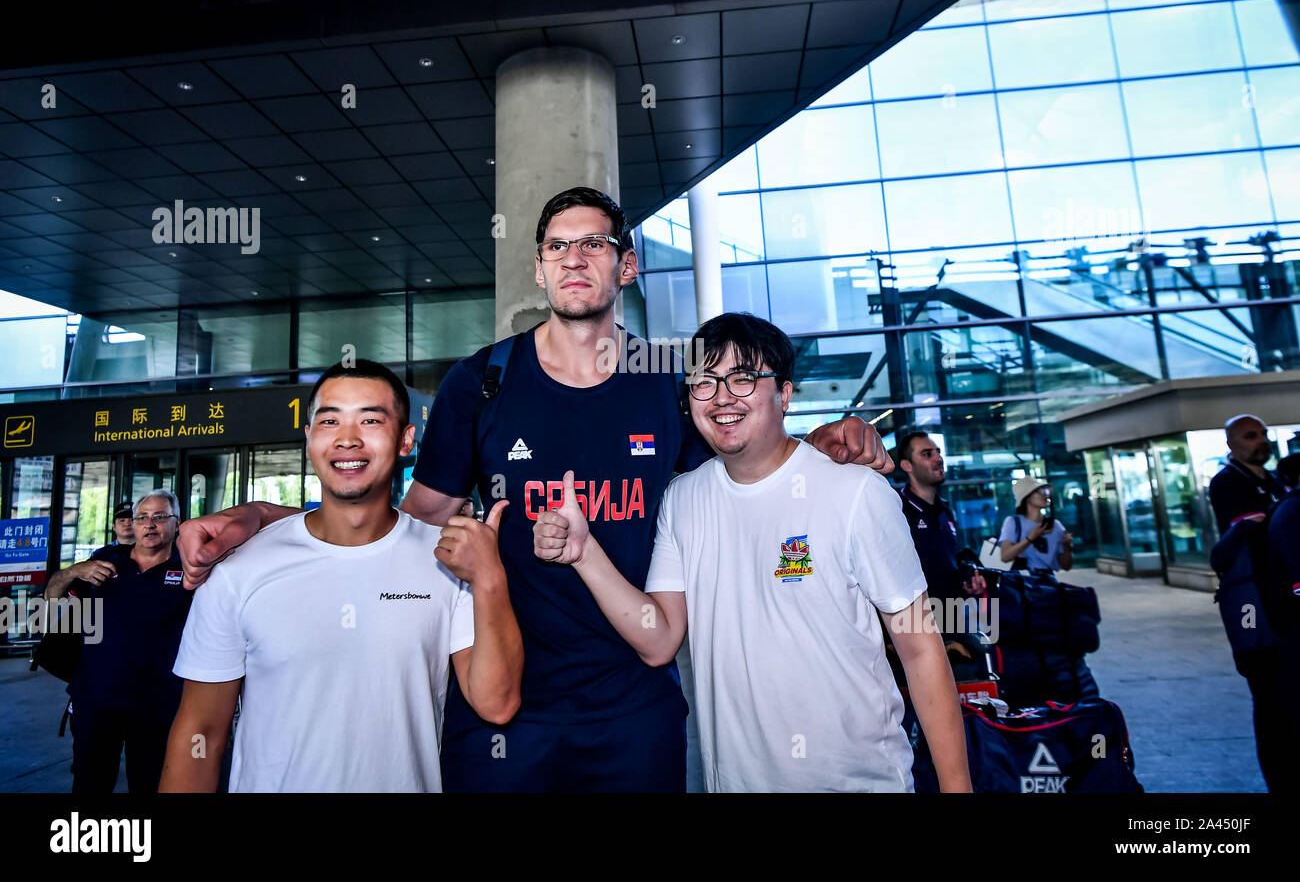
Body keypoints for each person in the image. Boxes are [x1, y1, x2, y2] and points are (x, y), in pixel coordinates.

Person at [174, 187, 892, 793]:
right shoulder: (482, 381)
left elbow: (749, 448)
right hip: (503, 710)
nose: (575, 259)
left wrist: (836, 432)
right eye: (558, 247)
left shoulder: (668, 387)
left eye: (595, 244)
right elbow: (407, 523)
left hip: (634, 708)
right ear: (540, 270)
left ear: (627, 265)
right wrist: (267, 517)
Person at [533, 313, 970, 791]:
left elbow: (922, 650)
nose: (722, 397)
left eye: (743, 378)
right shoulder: (682, 500)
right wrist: (585, 554)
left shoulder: (856, 491)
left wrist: (956, 787)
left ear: (783, 394)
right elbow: (658, 642)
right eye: (706, 382)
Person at [158, 360, 522, 792]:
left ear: (406, 440)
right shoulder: (239, 568)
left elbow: (496, 704)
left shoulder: (447, 559)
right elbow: (201, 731)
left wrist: (490, 579)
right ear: (310, 438)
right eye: (329, 421)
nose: (348, 438)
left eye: (370, 420)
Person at [43, 489, 189, 793]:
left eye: (160, 517)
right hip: (95, 702)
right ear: (133, 525)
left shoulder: (189, 568)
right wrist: (71, 572)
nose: (150, 524)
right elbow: (51, 599)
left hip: (157, 705)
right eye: (142, 517)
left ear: (178, 522)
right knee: (89, 783)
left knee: (150, 784)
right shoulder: (105, 561)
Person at [897, 431, 986, 603]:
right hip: (917, 621)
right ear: (907, 465)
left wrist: (968, 577)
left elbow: (950, 557)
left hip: (953, 617)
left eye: (938, 452)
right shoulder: (898, 510)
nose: (938, 459)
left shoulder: (944, 509)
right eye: (927, 454)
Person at [1208, 414, 1286, 536]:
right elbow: (1258, 531)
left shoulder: (1275, 479)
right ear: (1231, 444)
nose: (1263, 440)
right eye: (1251, 436)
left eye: (1264, 434)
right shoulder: (1227, 481)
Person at [999, 476, 1073, 575]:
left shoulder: (1055, 525)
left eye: (1045, 491)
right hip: (1023, 582)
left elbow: (1066, 566)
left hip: (1047, 582)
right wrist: (1031, 537)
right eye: (1039, 491)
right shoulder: (1013, 522)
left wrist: (1067, 546)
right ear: (1026, 497)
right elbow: (1005, 557)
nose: (1045, 494)